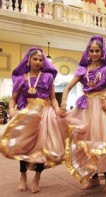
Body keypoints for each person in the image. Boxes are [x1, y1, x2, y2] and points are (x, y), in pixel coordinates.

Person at [0, 47, 72, 193]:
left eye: (41, 59)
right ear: (29, 60)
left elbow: (52, 98)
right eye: (35, 59)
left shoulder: (47, 77)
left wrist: (57, 109)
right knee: (23, 145)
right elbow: (13, 99)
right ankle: (23, 176)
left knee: (42, 148)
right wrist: (13, 111)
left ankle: (37, 177)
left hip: (45, 114)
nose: (38, 62)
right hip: (27, 114)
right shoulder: (21, 78)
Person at [61, 35, 106, 192]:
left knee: (103, 140)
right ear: (88, 52)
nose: (94, 53)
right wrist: (63, 103)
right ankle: (93, 177)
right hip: (85, 107)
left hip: (101, 106)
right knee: (86, 140)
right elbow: (67, 87)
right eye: (92, 50)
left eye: (97, 51)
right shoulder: (82, 69)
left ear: (102, 53)